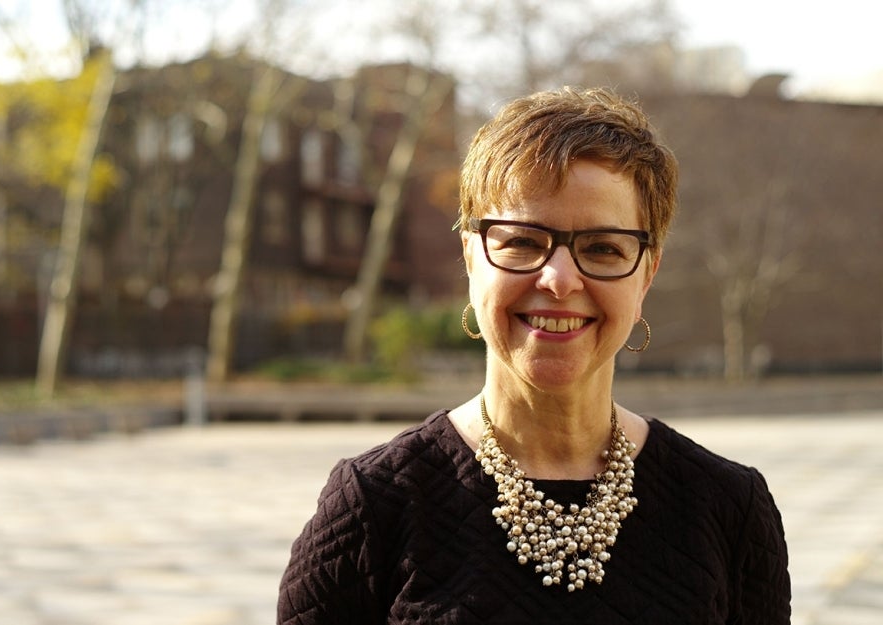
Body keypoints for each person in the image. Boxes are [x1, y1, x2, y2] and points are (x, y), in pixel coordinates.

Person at [278, 87, 790, 624]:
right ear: (471, 257)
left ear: (647, 273)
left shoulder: (729, 507)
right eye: (523, 241)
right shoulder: (372, 507)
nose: (560, 279)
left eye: (602, 248)